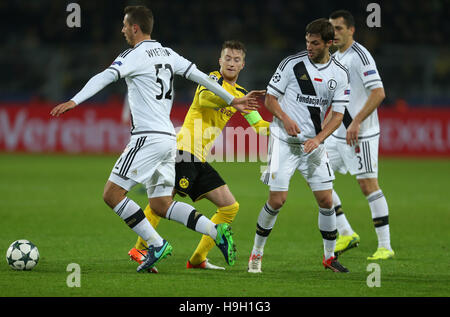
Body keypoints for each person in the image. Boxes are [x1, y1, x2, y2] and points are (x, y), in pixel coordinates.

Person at [50, 5, 264, 273]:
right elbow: (198, 75)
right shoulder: (168, 53)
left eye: (125, 26)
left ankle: (155, 244)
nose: (122, 30)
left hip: (147, 137)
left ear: (135, 28)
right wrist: (232, 98)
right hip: (168, 139)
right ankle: (215, 230)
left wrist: (74, 99)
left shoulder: (133, 55)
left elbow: (105, 76)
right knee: (161, 204)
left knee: (112, 194)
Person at [128, 40, 270, 271]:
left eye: (236, 60)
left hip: (198, 157)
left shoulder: (241, 94)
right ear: (220, 61)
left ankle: (197, 259)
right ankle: (140, 249)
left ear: (243, 65)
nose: (231, 63)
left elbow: (260, 126)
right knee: (162, 202)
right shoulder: (212, 80)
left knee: (229, 207)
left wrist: (285, 127)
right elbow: (204, 99)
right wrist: (232, 100)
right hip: (183, 150)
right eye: (228, 58)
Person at [247, 18, 350, 273]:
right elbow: (270, 99)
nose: (310, 47)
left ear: (329, 43)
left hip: (313, 146)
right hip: (284, 142)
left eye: (315, 43)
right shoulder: (292, 64)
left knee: (326, 200)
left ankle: (329, 257)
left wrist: (318, 139)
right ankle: (256, 254)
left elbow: (337, 116)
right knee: (277, 200)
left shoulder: (339, 74)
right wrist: (286, 118)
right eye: (307, 42)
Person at [326, 10, 394, 260]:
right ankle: (346, 231)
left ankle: (385, 246)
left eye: (339, 28)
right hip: (337, 133)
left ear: (351, 30)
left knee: (367, 185)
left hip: (360, 134)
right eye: (331, 28)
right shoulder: (335, 57)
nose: (334, 33)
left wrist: (356, 122)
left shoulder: (361, 56)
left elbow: (378, 93)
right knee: (316, 173)